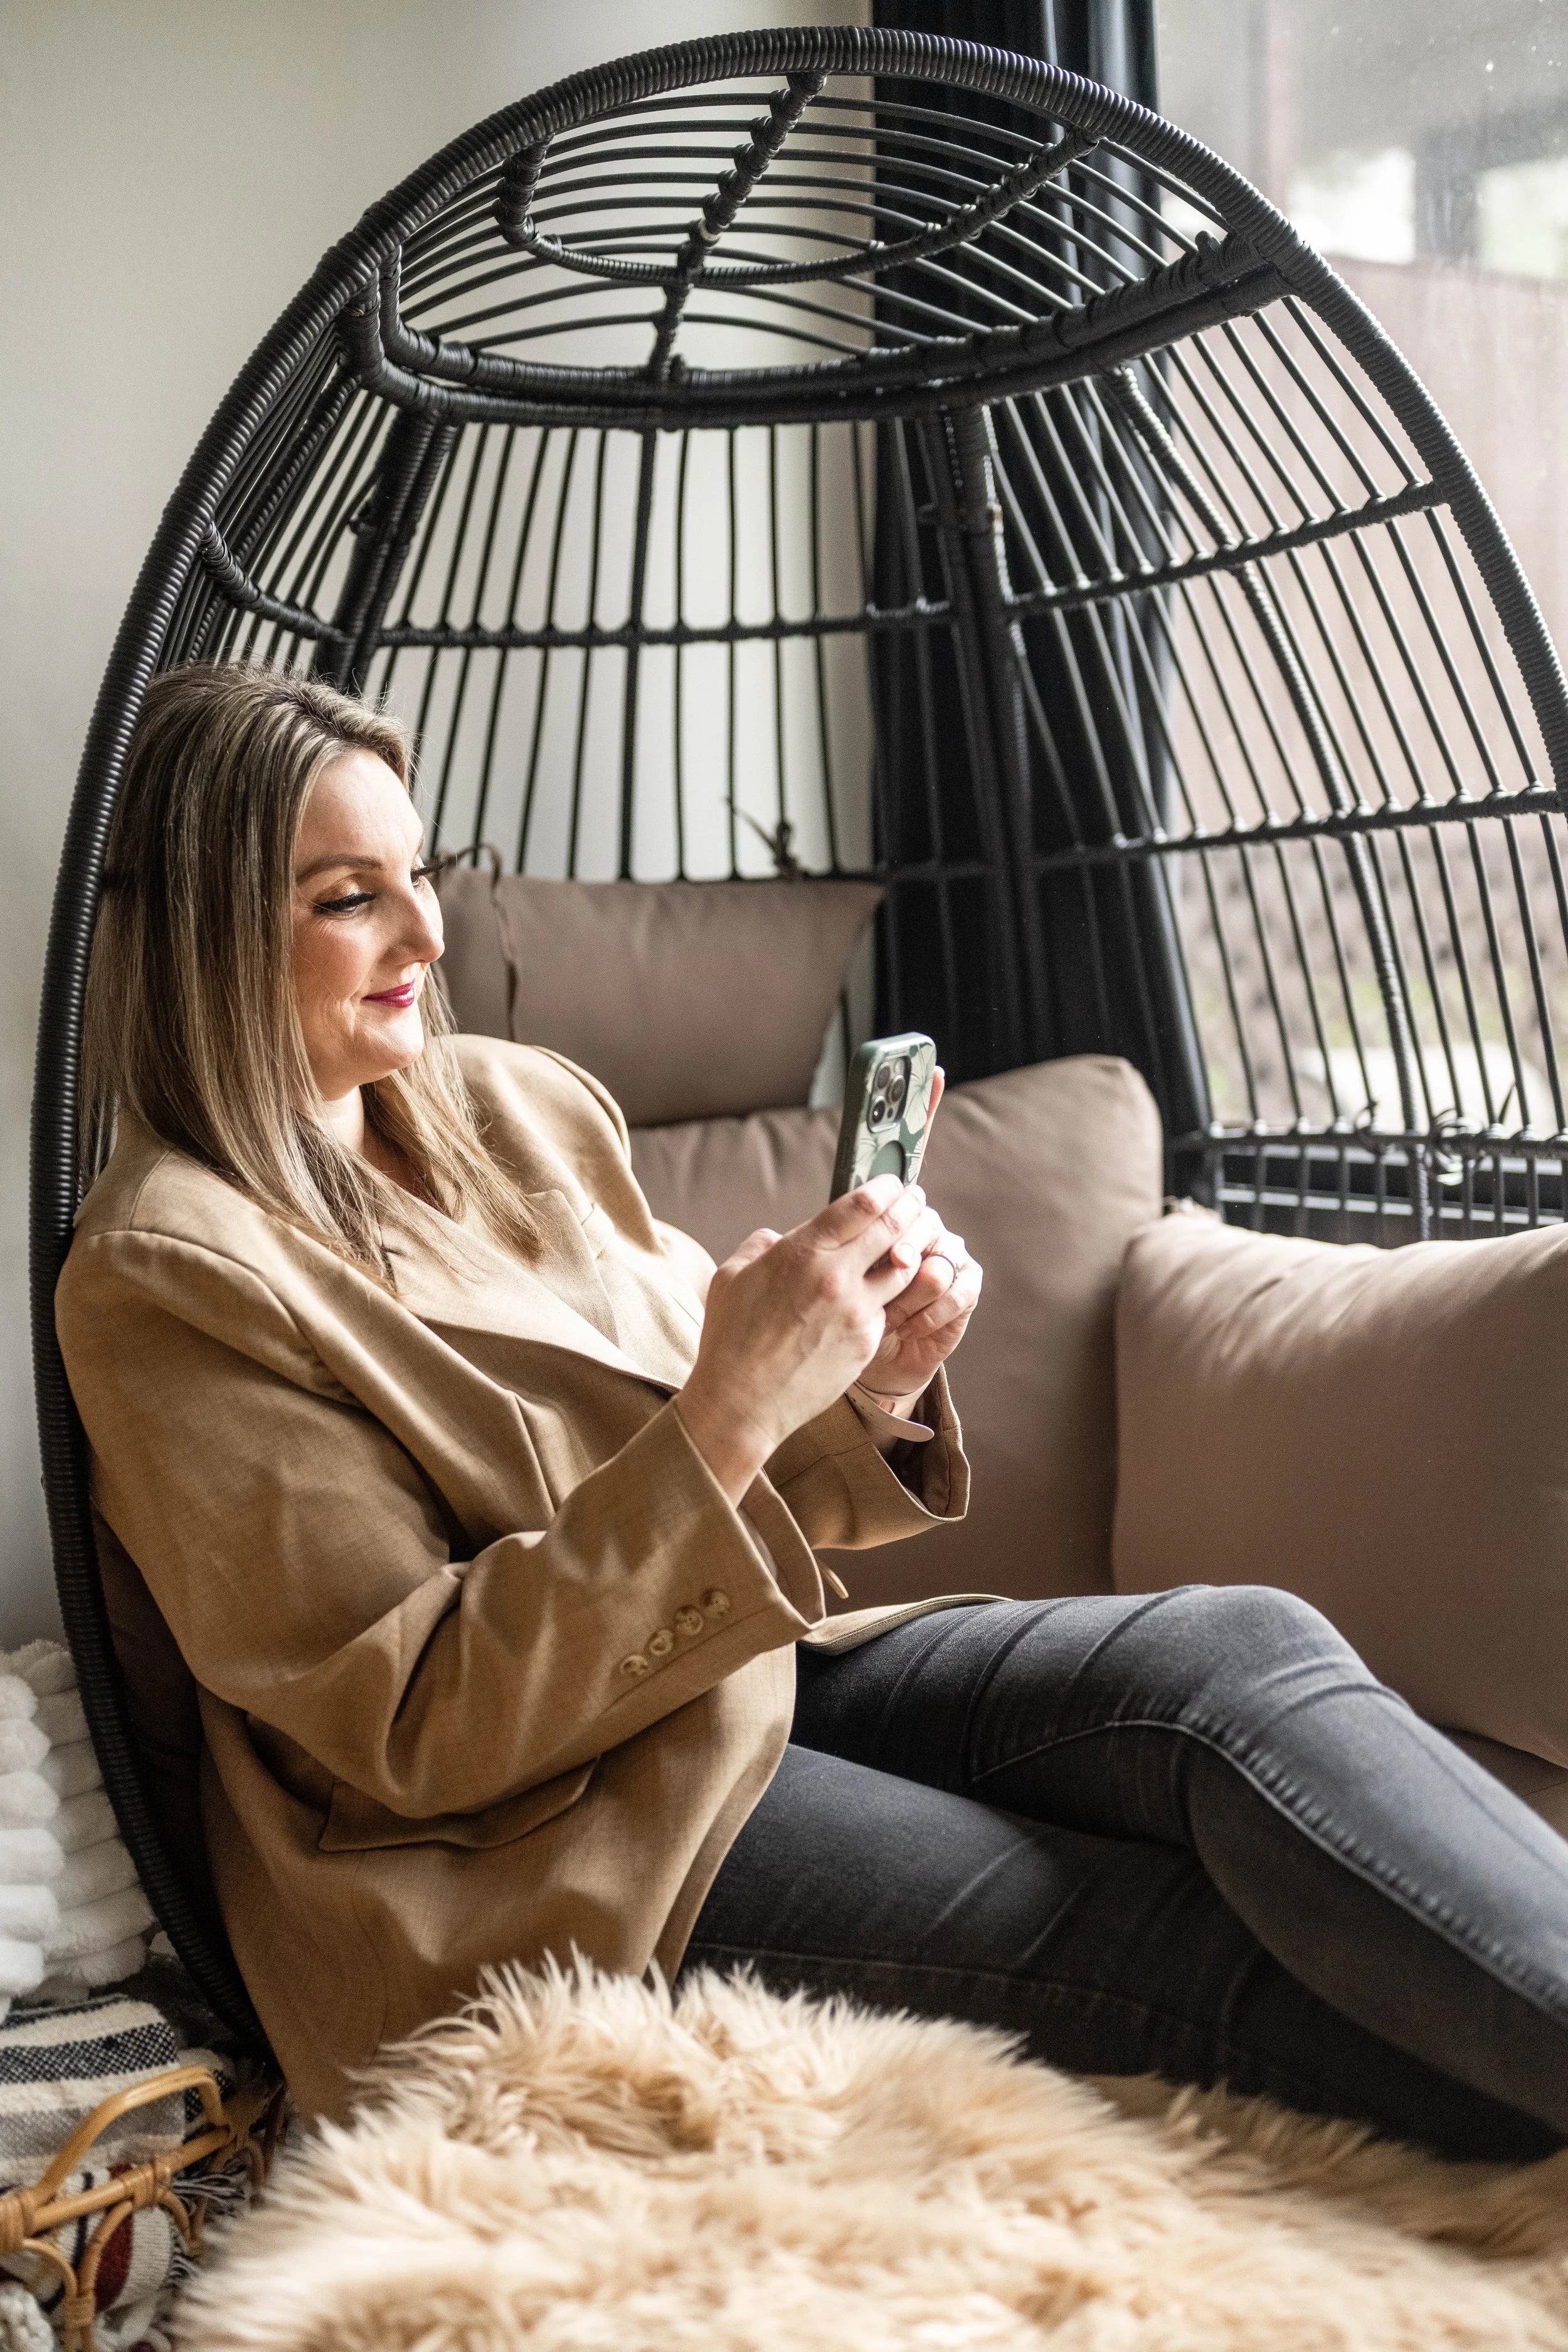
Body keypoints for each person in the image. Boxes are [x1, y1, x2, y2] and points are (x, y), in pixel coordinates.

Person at [57, 664, 1568, 2157]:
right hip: (529, 1849)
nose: (426, 932)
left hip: (732, 1682)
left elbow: (728, 1455)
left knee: (1237, 1650)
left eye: (417, 870)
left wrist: (875, 1375)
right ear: (207, 933)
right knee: (1145, 1932)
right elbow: (413, 1726)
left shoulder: (514, 1105)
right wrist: (727, 1408)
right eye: (347, 897)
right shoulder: (166, 1274)